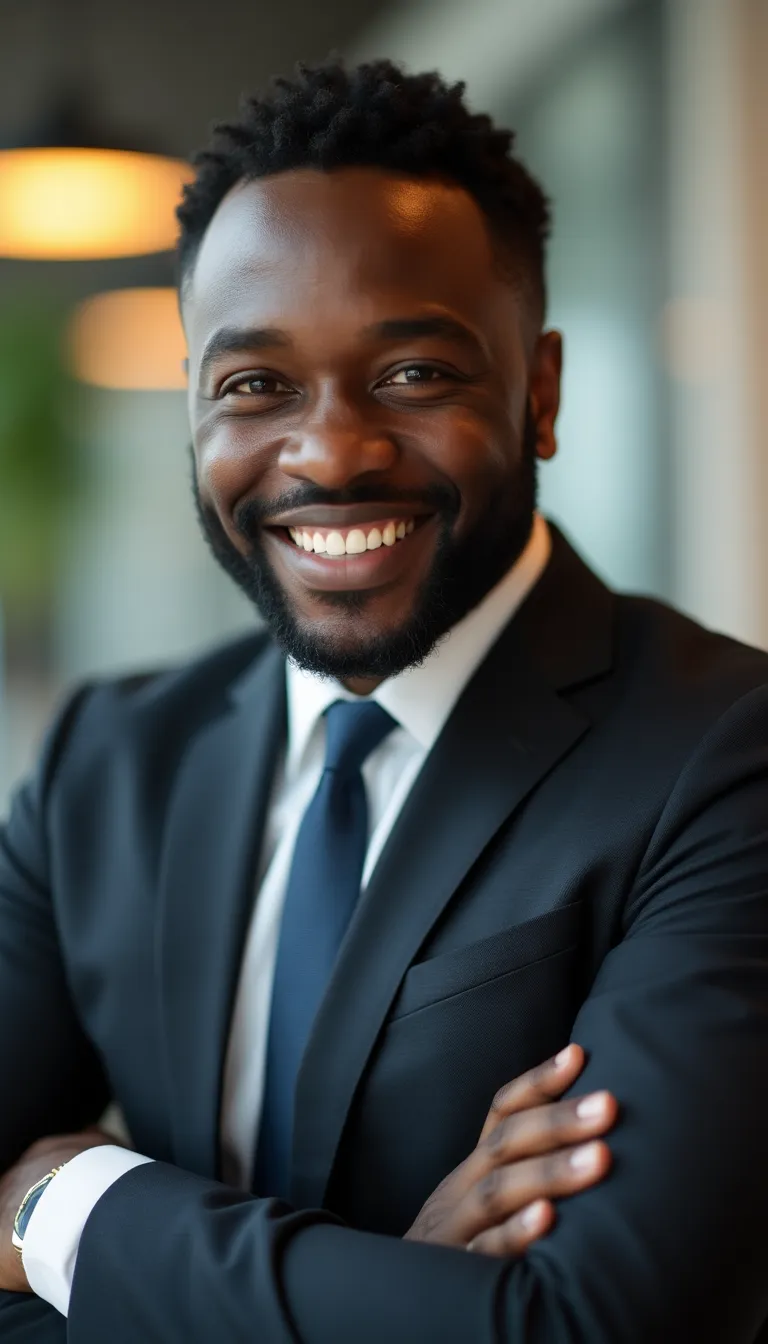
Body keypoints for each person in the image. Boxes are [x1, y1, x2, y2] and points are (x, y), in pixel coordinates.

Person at [0, 56, 767, 1344]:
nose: (330, 451)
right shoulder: (105, 762)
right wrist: (400, 1290)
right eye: (255, 385)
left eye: (412, 374)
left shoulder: (722, 755)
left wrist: (72, 1213)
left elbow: (584, 1329)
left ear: (542, 392)